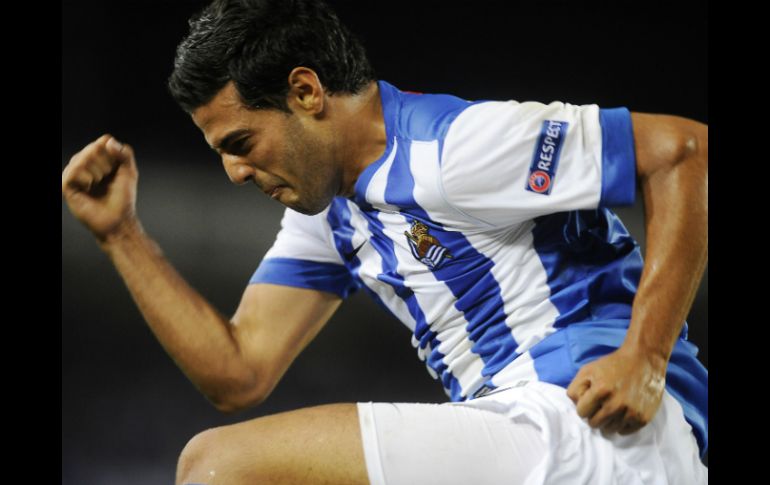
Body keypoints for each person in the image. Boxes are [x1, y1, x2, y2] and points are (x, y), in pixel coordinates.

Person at [61, 0, 708, 483]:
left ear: (306, 92)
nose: (234, 172)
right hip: (527, 436)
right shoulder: (331, 214)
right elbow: (238, 372)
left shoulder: (453, 147)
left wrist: (645, 358)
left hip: (595, 427)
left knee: (217, 466)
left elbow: (686, 152)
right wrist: (121, 234)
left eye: (241, 143)